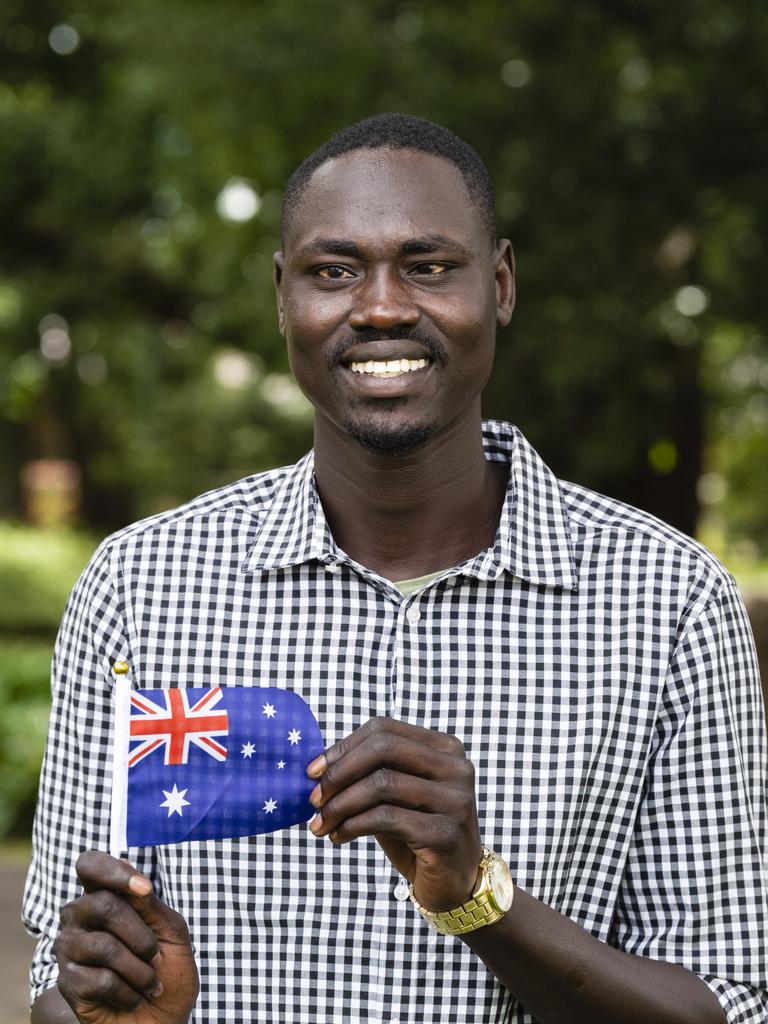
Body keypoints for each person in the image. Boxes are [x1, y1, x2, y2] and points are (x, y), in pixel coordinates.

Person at [25, 114, 767, 1024]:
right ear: (282, 296)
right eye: (334, 271)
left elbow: (725, 1005)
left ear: (498, 285)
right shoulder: (138, 585)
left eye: (428, 266)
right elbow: (57, 996)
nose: (379, 307)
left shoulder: (670, 601)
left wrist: (478, 899)